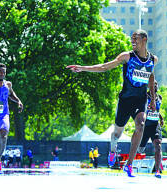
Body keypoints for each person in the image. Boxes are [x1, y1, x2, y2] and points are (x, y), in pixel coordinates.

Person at [67, 29, 157, 177]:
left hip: (140, 100)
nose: (133, 41)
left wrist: (152, 99)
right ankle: (113, 149)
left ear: (145, 40)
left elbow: (151, 76)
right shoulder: (127, 56)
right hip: (125, 100)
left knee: (141, 125)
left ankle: (129, 165)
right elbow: (104, 67)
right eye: (132, 38)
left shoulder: (153, 59)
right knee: (117, 134)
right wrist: (82, 68)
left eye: (136, 38)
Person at [138, 80, 164, 178]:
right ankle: (136, 149)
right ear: (149, 86)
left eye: (156, 84)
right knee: (140, 150)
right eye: (153, 84)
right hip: (145, 125)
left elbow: (157, 109)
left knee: (158, 145)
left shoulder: (160, 97)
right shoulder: (145, 96)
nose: (155, 85)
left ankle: (157, 171)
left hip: (154, 125)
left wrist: (161, 118)